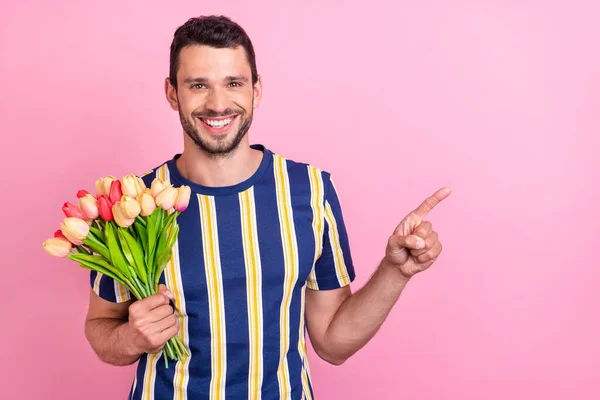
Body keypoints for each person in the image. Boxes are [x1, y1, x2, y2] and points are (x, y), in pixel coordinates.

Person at [84, 15, 450, 400]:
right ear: (172, 93)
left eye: (234, 83)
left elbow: (332, 342)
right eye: (198, 85)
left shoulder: (311, 191)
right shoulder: (131, 203)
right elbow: (100, 326)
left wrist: (396, 272)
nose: (218, 103)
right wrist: (130, 338)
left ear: (256, 90)